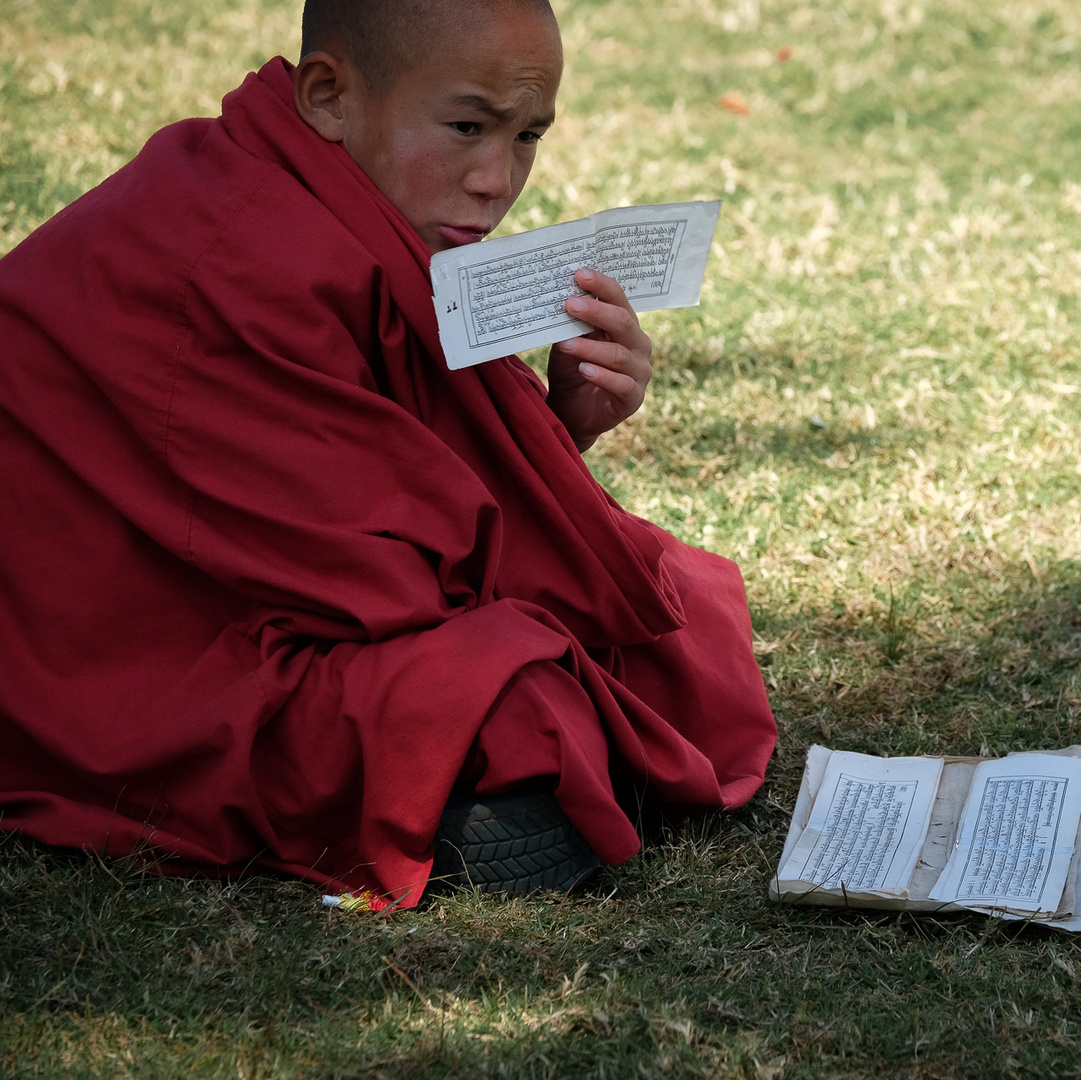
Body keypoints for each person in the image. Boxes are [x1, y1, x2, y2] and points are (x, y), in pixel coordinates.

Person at [0, 0, 777, 907]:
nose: (497, 178)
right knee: (513, 705)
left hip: (239, 586)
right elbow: (385, 585)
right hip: (89, 644)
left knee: (684, 614)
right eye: (466, 127)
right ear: (329, 96)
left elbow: (399, 494)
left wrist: (570, 425)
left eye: (527, 135)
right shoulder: (239, 247)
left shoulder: (349, 214)